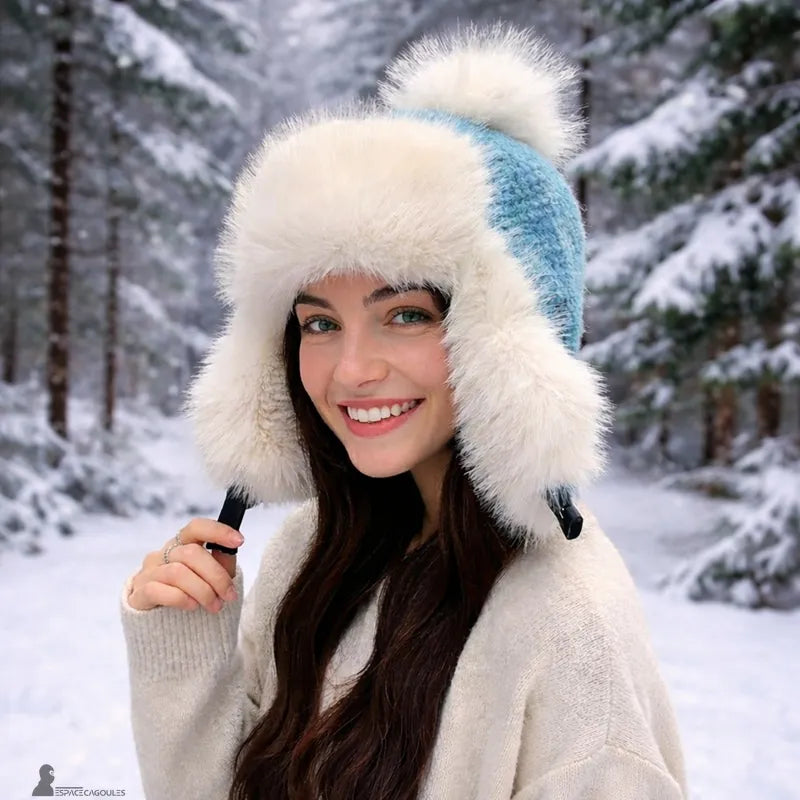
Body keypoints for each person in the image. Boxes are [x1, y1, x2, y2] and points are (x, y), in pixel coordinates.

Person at [119, 21, 689, 800]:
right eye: (320, 322)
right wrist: (185, 654)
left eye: (406, 314)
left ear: (506, 346)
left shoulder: (567, 627)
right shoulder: (312, 556)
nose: (350, 370)